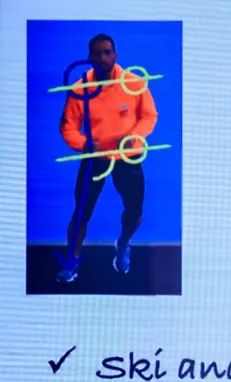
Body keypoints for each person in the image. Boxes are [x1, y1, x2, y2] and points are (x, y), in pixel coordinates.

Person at [58, 33, 158, 283]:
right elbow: (68, 126)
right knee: (81, 212)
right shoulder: (80, 88)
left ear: (115, 55)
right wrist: (83, 143)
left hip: (128, 156)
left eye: (107, 52)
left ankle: (123, 243)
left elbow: (149, 115)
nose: (102, 57)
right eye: (97, 53)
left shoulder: (134, 83)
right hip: (95, 158)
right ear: (89, 56)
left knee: (134, 212)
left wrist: (134, 136)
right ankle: (71, 261)